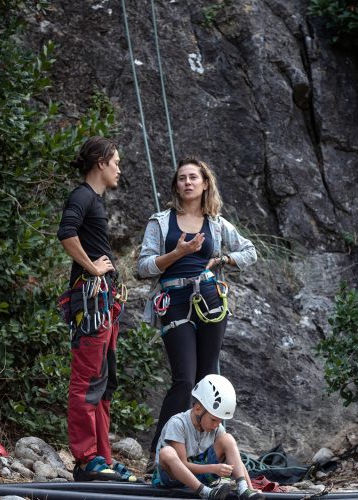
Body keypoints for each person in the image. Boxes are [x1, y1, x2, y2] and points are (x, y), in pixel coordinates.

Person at [137, 156, 257, 461]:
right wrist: (177, 253)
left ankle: (206, 456)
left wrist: (224, 260)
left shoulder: (215, 223)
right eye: (182, 178)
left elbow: (250, 251)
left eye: (193, 177)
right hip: (174, 300)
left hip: (209, 300)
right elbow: (144, 267)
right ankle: (161, 454)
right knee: (185, 379)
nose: (187, 182)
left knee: (208, 379)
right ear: (176, 186)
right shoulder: (161, 221)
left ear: (205, 184)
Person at [57, 136, 136, 482]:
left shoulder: (94, 200)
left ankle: (101, 457)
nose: (119, 168)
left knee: (104, 383)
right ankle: (87, 458)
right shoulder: (82, 196)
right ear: (101, 163)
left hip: (103, 303)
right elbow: (66, 233)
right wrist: (92, 267)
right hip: (90, 301)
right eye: (116, 162)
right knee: (87, 381)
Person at [153, 374, 265, 500]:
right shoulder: (178, 423)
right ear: (198, 409)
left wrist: (249, 487)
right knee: (167, 452)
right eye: (213, 420)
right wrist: (214, 468)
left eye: (220, 421)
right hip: (174, 478)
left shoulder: (216, 428)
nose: (217, 425)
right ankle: (207, 493)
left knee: (228, 439)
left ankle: (243, 490)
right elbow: (183, 464)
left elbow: (236, 460)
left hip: (201, 475)